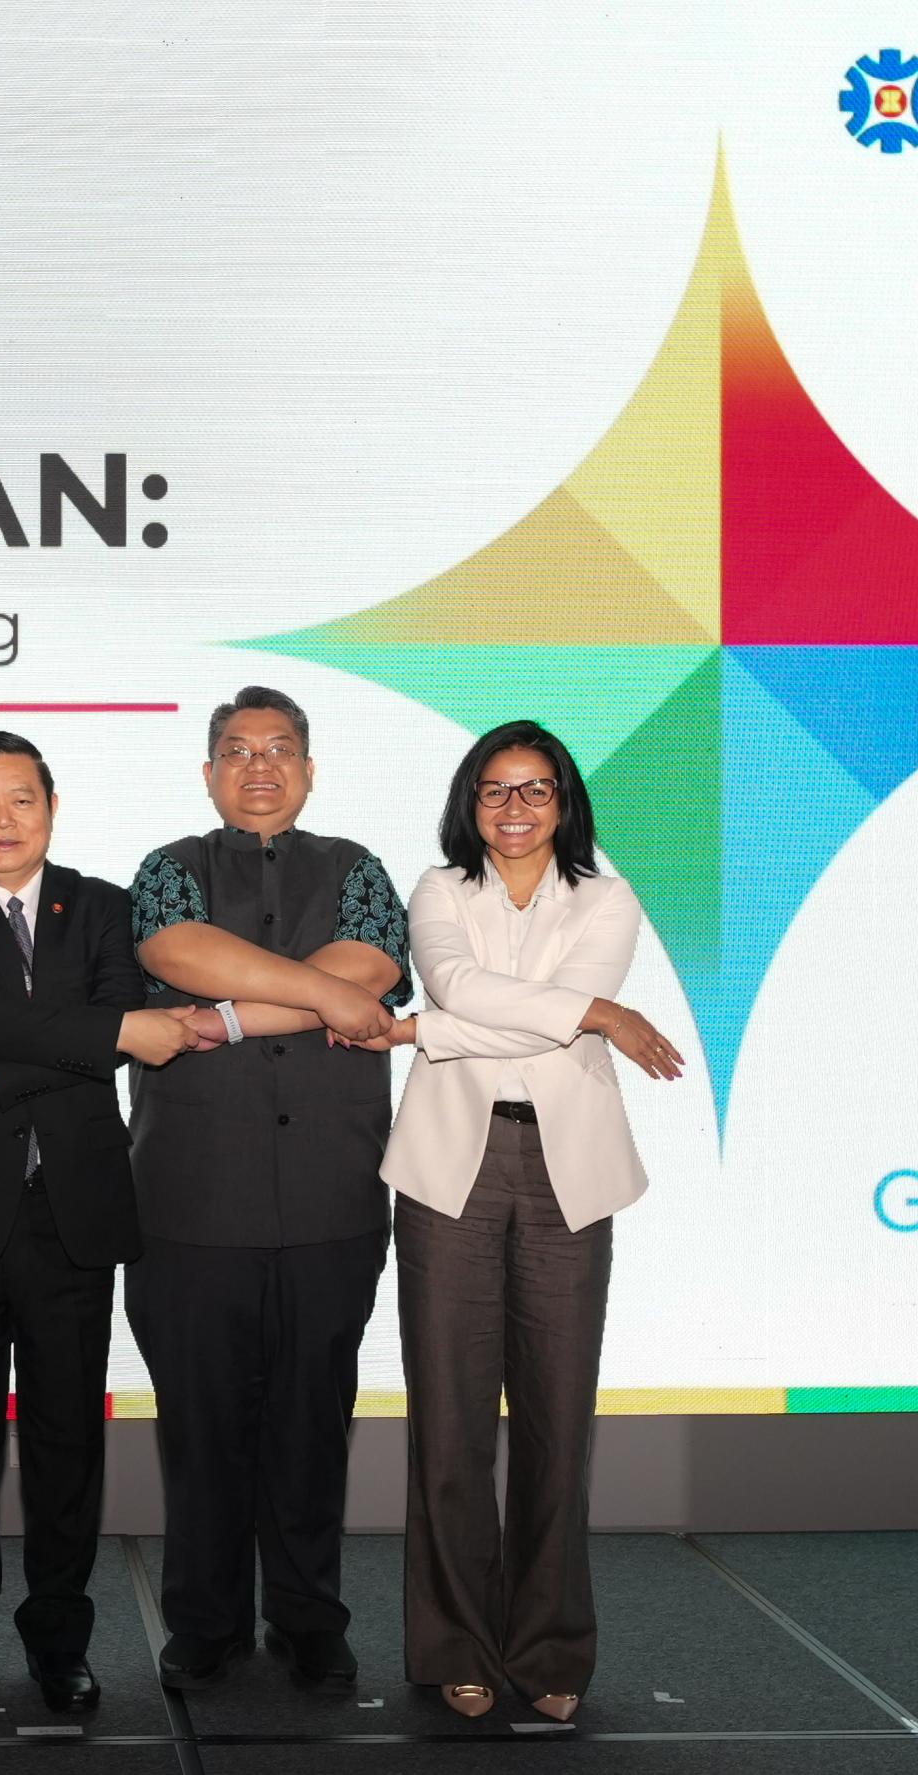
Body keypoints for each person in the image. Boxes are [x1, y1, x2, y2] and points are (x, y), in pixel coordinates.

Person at [0, 730, 207, 1715]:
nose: (2, 819)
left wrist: (6, 1059)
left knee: (69, 1444)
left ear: (52, 805)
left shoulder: (105, 905)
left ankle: (61, 1640)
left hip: (72, 1212)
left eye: (20, 798)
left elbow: (89, 1022)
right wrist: (102, 1035)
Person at [377, 719, 683, 1722]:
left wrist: (426, 1031)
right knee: (451, 1421)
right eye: (494, 790)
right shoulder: (436, 890)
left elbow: (493, 1004)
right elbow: (467, 983)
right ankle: (455, 1642)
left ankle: (550, 1644)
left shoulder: (606, 895)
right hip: (447, 1167)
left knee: (557, 1420)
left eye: (535, 789)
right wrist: (596, 1014)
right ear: (469, 802)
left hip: (567, 1168)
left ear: (565, 802)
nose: (514, 809)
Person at [121, 685, 413, 1695]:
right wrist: (327, 994)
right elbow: (174, 951)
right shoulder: (168, 870)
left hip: (332, 1199)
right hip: (189, 1202)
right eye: (237, 749)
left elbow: (371, 959)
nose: (259, 765)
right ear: (208, 772)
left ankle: (306, 1616)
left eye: (280, 747)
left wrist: (240, 1010)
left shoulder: (359, 869)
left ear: (309, 767)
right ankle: (202, 1619)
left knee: (310, 1418)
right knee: (199, 1426)